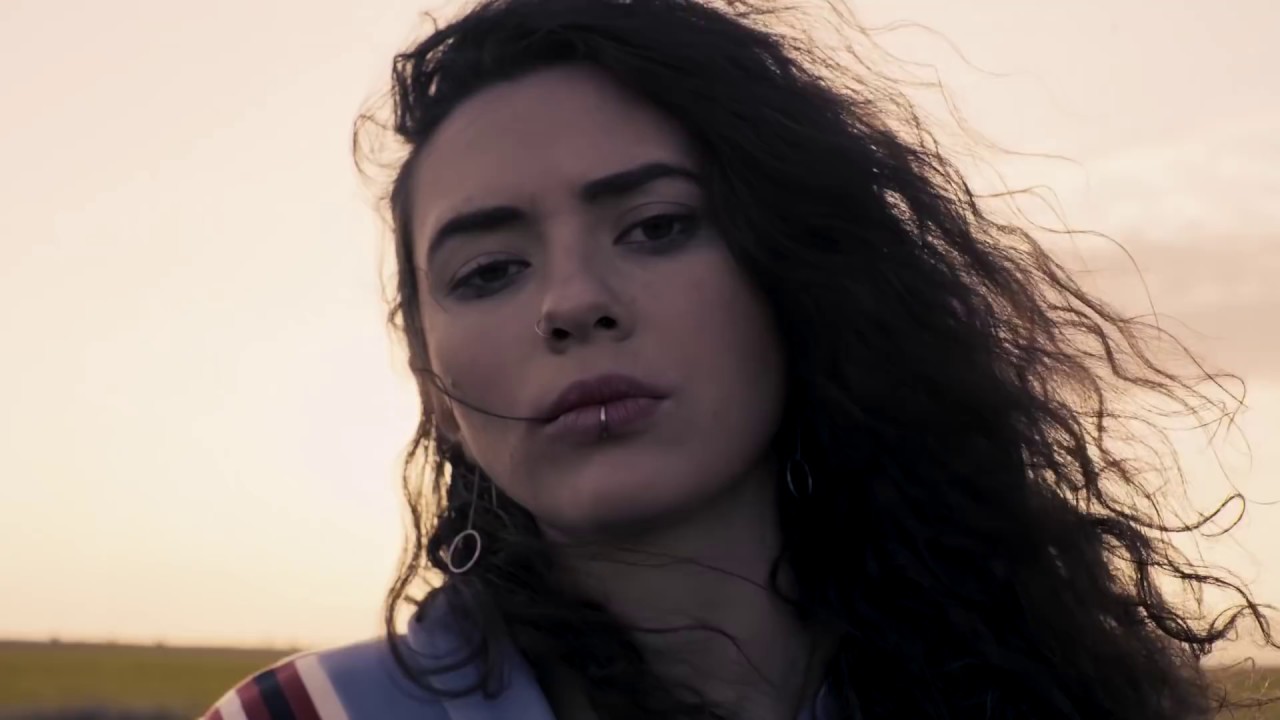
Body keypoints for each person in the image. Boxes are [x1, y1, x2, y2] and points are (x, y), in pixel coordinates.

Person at [202, 0, 1278, 718]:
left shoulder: (1045, 692)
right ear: (432, 385)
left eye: (657, 227)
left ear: (799, 280)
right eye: (488, 272)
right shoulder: (308, 719)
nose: (571, 303)